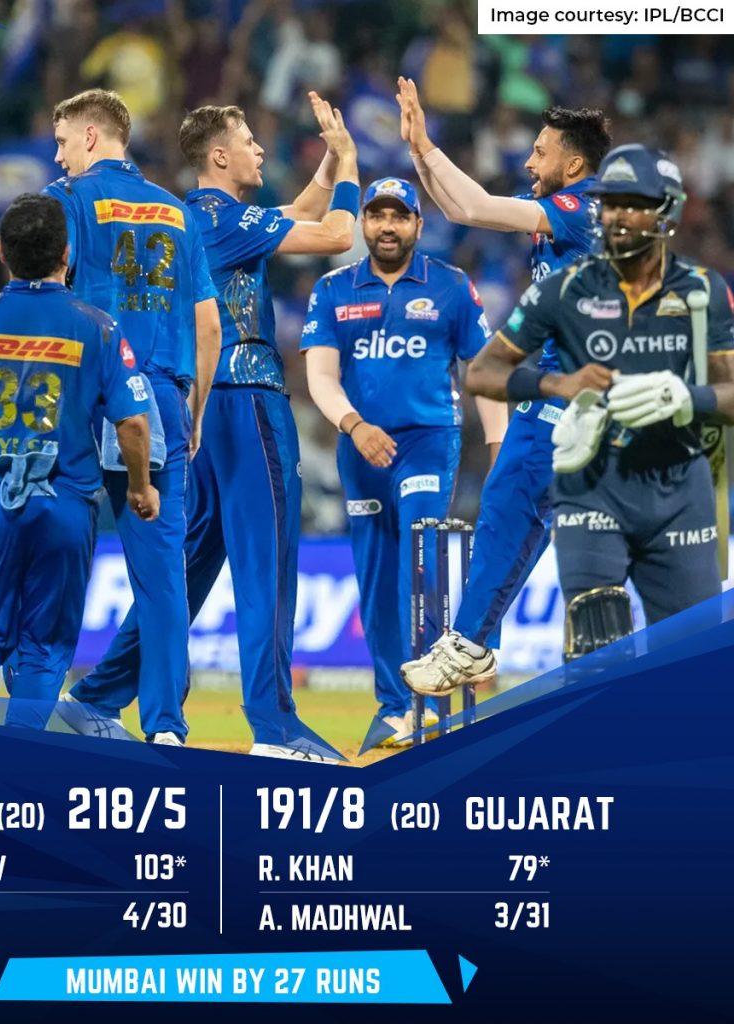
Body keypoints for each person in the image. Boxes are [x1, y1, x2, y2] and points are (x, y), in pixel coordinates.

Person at [64, 94, 362, 760]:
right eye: (250, 141)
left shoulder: (189, 217)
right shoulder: (223, 218)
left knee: (189, 567)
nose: (261, 150)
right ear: (220, 156)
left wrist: (329, 163)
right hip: (248, 400)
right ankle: (276, 728)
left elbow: (298, 213)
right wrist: (348, 164)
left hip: (196, 407)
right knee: (267, 561)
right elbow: (337, 235)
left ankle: (98, 695)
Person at [465, 145, 734, 656]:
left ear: (667, 212)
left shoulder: (702, 292)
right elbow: (483, 372)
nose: (619, 216)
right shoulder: (561, 290)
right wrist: (555, 386)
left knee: (692, 662)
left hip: (679, 495)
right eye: (611, 203)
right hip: (591, 494)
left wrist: (684, 397)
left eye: (636, 204)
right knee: (595, 659)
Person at [395, 78, 613, 696]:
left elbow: (478, 207)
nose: (529, 162)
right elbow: (462, 208)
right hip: (561, 384)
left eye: (540, 152)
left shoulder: (582, 206)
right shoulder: (563, 208)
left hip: (569, 391)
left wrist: (427, 146)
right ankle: (476, 643)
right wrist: (418, 151)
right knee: (518, 511)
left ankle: (470, 644)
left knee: (508, 503)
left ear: (574, 165)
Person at [0, 193, 158, 727]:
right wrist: (141, 486)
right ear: (67, 255)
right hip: (65, 503)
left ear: (1, 252)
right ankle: (20, 744)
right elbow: (134, 424)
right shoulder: (98, 326)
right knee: (44, 645)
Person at [42, 89, 221, 746]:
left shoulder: (67, 201)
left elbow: (48, 298)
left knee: (54, 553)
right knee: (163, 573)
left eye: (63, 142)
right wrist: (194, 407)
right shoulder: (177, 212)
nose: (58, 157)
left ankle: (33, 707)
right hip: (163, 398)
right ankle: (167, 727)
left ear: (92, 137)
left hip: (84, 396)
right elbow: (208, 324)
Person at [302, 176, 506, 744]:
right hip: (360, 447)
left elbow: (484, 373)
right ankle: (394, 707)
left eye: (398, 216)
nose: (386, 226)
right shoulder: (334, 288)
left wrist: (499, 450)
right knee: (374, 577)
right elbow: (321, 375)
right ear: (363, 223)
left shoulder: (451, 286)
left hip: (426, 441)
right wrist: (355, 425)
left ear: (418, 224)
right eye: (376, 215)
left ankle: (431, 703)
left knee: (421, 556)